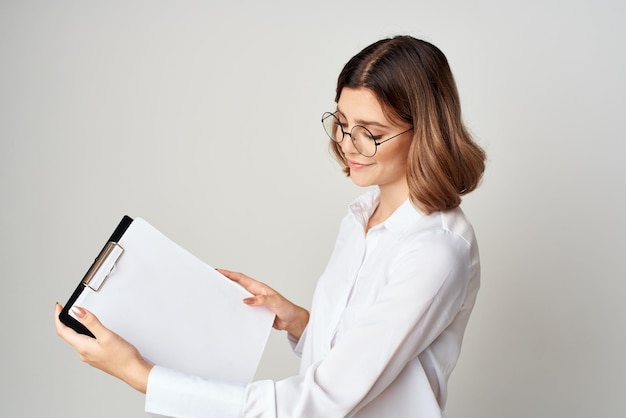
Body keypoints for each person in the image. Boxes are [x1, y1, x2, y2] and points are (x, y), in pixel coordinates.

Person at [55, 35, 486, 417]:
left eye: (370, 132)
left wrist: (142, 376)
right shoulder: (362, 216)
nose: (347, 145)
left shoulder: (435, 251)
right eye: (341, 123)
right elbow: (361, 354)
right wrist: (300, 322)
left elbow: (320, 402)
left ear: (426, 131)